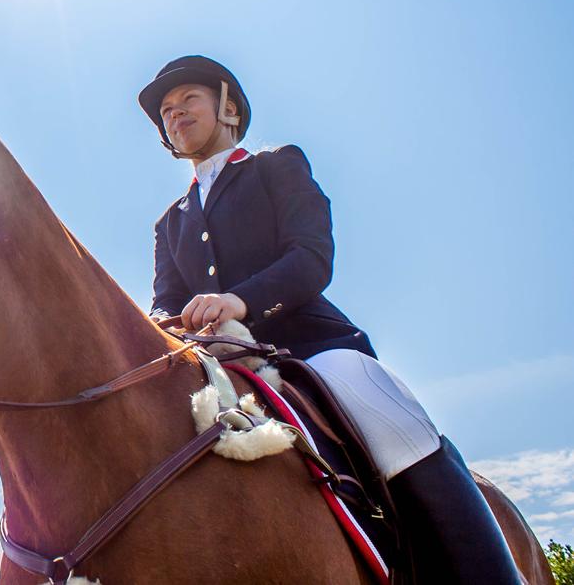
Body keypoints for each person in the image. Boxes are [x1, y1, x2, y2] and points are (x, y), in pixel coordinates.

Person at [139, 55, 519, 583]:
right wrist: (168, 327)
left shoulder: (276, 165)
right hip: (217, 367)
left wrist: (237, 302)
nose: (174, 115)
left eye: (187, 101)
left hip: (311, 349)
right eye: (165, 111)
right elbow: (165, 302)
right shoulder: (169, 222)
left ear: (228, 106)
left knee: (386, 411)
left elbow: (310, 256)